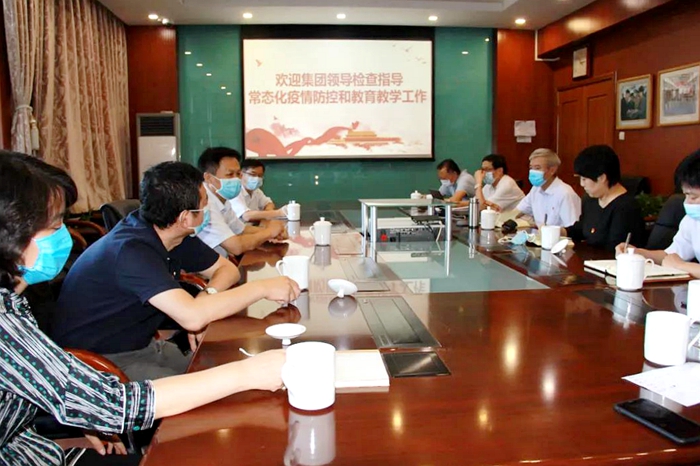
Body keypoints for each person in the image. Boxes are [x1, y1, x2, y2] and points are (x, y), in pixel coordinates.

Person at [0, 150, 287, 465]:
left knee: (219, 379)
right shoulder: (130, 249)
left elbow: (220, 276)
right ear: (12, 234)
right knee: (219, 403)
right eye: (55, 225)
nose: (64, 235)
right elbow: (114, 405)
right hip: (103, 363)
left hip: (121, 362)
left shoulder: (12, 302)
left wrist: (75, 403)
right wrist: (246, 369)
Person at [51, 161, 300, 380]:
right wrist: (261, 287)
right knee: (212, 392)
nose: (207, 211)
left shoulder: (171, 233)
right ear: (185, 217)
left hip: (143, 345)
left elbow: (227, 270)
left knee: (221, 364)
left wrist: (205, 298)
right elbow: (192, 318)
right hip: (99, 363)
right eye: (204, 206)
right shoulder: (131, 251)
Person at [616, 149, 700, 277]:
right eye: (686, 195)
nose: (687, 202)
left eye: (693, 197)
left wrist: (681, 266)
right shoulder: (692, 220)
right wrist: (638, 253)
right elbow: (670, 257)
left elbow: (676, 263)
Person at [197, 147, 286, 257]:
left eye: (238, 174)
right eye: (230, 174)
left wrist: (274, 232)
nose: (236, 179)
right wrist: (269, 232)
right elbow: (236, 247)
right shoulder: (203, 204)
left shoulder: (223, 198)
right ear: (209, 178)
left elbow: (241, 229)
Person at [565, 145, 644, 251]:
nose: (581, 184)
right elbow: (582, 229)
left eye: (584, 179)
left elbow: (614, 249)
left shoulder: (626, 207)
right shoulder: (591, 199)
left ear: (602, 178)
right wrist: (561, 231)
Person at [513, 148, 581, 227]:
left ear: (552, 170)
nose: (533, 172)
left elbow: (572, 228)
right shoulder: (535, 189)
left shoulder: (565, 193)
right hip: (540, 234)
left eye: (537, 168)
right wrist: (503, 219)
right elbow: (519, 211)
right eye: (531, 168)